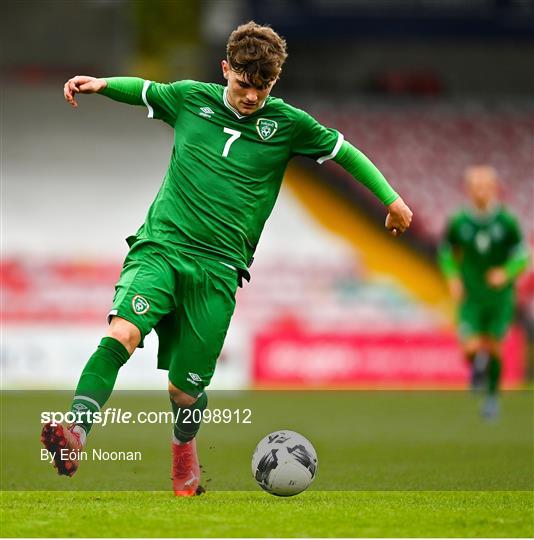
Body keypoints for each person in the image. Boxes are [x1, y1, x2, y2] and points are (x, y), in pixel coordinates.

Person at [41, 21, 413, 495]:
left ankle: (183, 453)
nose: (252, 96)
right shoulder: (189, 98)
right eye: (243, 83)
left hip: (218, 269)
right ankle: (75, 430)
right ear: (225, 70)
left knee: (184, 392)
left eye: (263, 87)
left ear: (273, 83)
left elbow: (345, 152)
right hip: (162, 247)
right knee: (122, 332)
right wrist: (101, 84)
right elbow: (146, 90)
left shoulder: (288, 125)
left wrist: (392, 199)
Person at [438, 165, 529, 418]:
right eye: (476, 187)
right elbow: (446, 252)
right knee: (470, 347)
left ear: (494, 189)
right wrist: (453, 278)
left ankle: (491, 398)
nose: (481, 192)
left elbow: (522, 255)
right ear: (468, 190)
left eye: (485, 187)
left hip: (499, 298)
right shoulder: (459, 221)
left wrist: (506, 273)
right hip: (471, 296)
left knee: (495, 348)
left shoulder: (506, 222)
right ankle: (477, 365)